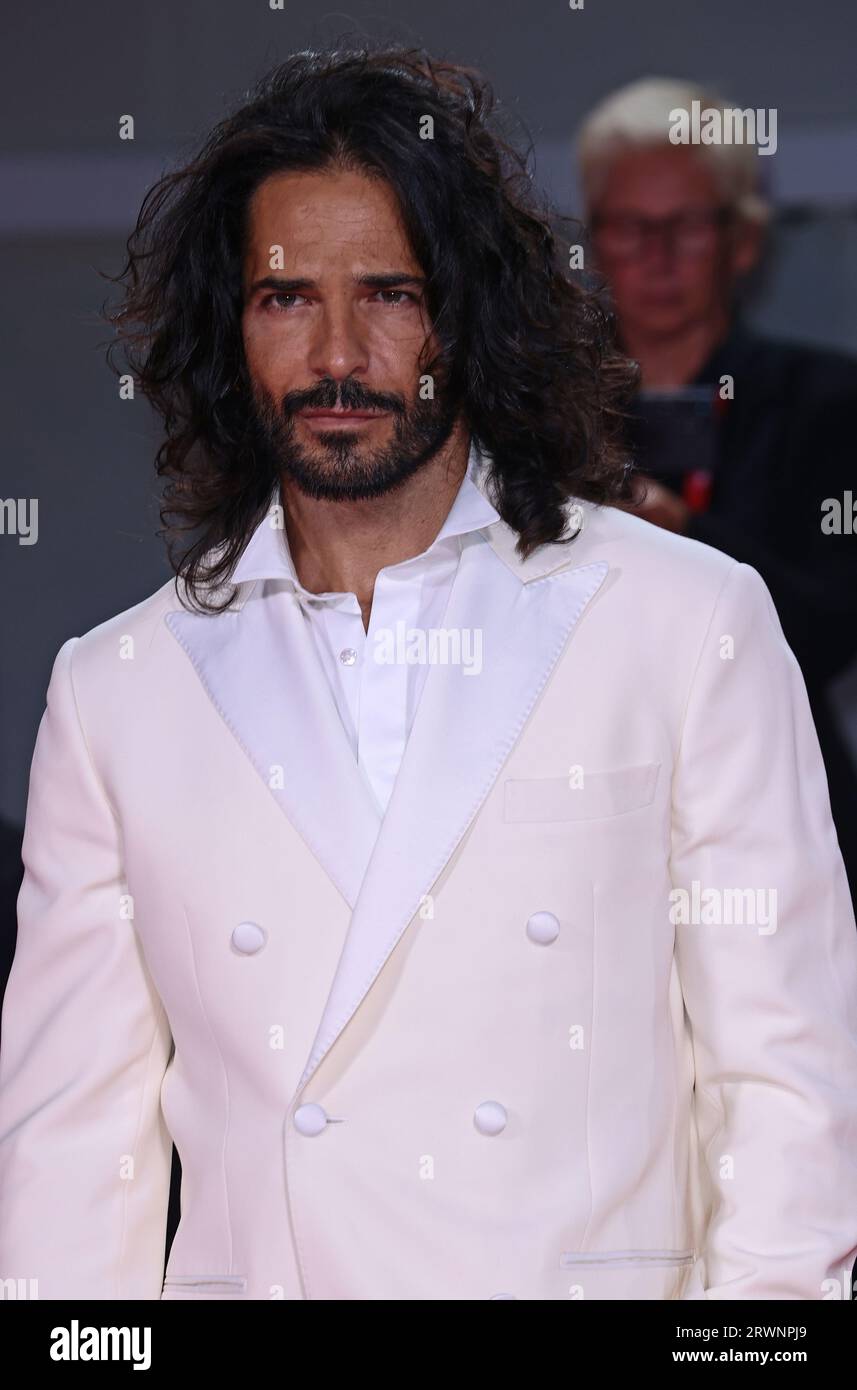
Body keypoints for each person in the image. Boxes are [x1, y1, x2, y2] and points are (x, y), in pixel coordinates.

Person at [1, 45, 856, 1303]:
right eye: (285, 298)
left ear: (463, 315)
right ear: (229, 330)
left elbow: (783, 1079)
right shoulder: (119, 687)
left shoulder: (685, 619)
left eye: (389, 293)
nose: (337, 352)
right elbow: (74, 1156)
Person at [578, 76, 857, 901]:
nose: (656, 256)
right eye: (630, 228)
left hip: (777, 813)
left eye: (687, 227)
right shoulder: (533, 417)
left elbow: (829, 621)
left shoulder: (828, 403)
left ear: (742, 242)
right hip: (584, 817)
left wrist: (686, 541)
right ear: (594, 244)